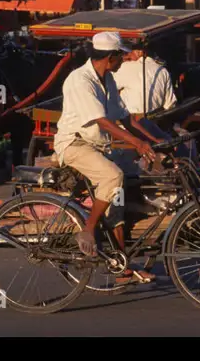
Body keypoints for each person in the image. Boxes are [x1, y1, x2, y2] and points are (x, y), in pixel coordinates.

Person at [54, 31, 163, 285]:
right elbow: (101, 120)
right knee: (114, 175)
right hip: (74, 144)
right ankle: (88, 230)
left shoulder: (108, 79)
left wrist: (155, 142)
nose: (124, 59)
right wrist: (135, 142)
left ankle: (122, 266)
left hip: (97, 145)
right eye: (121, 56)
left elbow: (124, 119)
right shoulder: (79, 80)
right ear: (110, 57)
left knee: (120, 194)